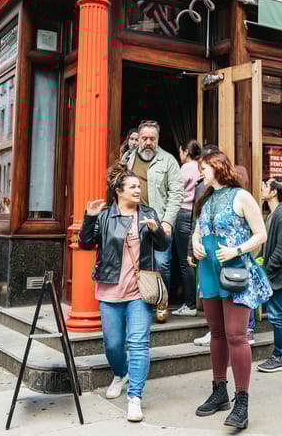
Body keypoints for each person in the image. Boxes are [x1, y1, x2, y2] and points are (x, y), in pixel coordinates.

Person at [79, 166, 168, 423]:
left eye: (139, 187)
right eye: (132, 187)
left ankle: (135, 397)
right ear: (119, 191)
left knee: (139, 343)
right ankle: (120, 373)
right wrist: (89, 218)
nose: (138, 190)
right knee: (113, 344)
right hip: (110, 289)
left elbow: (163, 246)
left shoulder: (148, 213)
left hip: (140, 290)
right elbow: (86, 244)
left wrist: (156, 230)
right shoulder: (105, 216)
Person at [191, 150, 272, 430]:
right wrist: (195, 243)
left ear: (217, 167)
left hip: (236, 270)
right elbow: (198, 231)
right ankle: (219, 391)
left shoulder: (242, 196)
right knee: (216, 333)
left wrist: (236, 249)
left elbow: (261, 234)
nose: (201, 173)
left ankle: (242, 401)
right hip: (209, 271)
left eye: (204, 168)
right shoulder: (205, 200)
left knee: (237, 335)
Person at [122, 120, 182, 322]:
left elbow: (176, 194)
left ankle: (162, 301)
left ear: (157, 139)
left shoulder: (169, 161)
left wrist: (167, 222)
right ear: (138, 139)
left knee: (162, 263)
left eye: (152, 138)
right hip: (132, 221)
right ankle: (138, 302)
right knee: (135, 262)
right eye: (144, 138)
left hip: (158, 221)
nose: (148, 142)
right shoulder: (127, 159)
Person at [257, 177, 282, 373]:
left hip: (277, 276)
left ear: (273, 192)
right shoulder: (273, 214)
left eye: (266, 185)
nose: (262, 187)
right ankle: (279, 355)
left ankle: (280, 356)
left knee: (278, 316)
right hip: (272, 274)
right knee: (276, 315)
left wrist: (267, 269)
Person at [173, 139, 202, 317]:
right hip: (196, 214)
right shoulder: (201, 167)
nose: (180, 155)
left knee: (185, 261)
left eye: (180, 152)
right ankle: (197, 301)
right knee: (194, 258)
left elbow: (176, 191)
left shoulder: (184, 169)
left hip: (184, 213)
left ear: (185, 152)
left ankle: (190, 304)